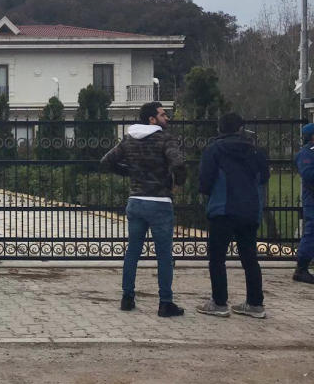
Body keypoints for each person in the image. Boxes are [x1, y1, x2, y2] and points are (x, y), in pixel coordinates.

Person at [100, 101, 186, 317]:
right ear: (152, 119)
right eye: (163, 115)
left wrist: (129, 173)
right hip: (159, 203)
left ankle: (127, 298)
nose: (167, 118)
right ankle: (165, 303)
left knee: (133, 251)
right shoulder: (165, 138)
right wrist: (177, 184)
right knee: (164, 255)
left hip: (136, 201)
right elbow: (178, 164)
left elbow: (106, 161)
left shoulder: (129, 139)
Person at [196, 113, 270, 318]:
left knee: (217, 258)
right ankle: (255, 303)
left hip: (222, 209)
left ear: (220, 129)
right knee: (250, 258)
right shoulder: (256, 152)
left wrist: (207, 200)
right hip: (249, 210)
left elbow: (204, 182)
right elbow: (264, 178)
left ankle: (219, 302)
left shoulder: (214, 150)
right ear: (241, 129)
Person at [293, 123, 314, 284]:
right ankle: (301, 268)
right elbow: (308, 174)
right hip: (312, 200)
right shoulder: (306, 154)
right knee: (311, 232)